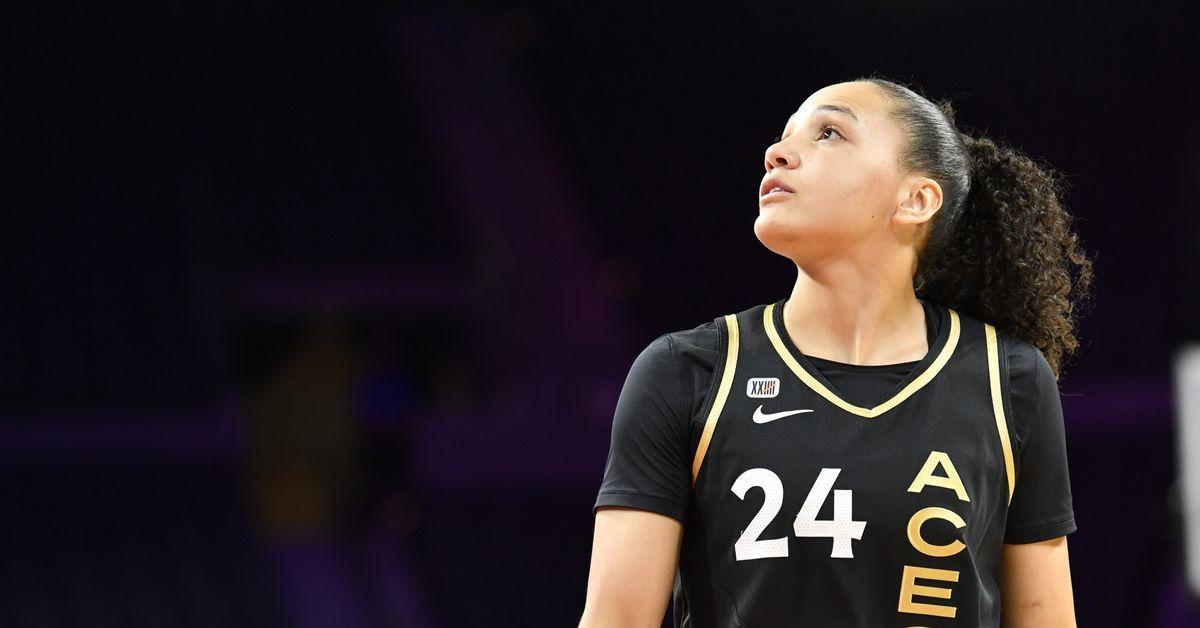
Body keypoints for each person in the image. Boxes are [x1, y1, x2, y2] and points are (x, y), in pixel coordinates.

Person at [579, 76, 1094, 627]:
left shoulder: (1008, 380)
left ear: (916, 199)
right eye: (784, 135)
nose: (777, 153)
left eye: (828, 133)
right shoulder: (687, 372)